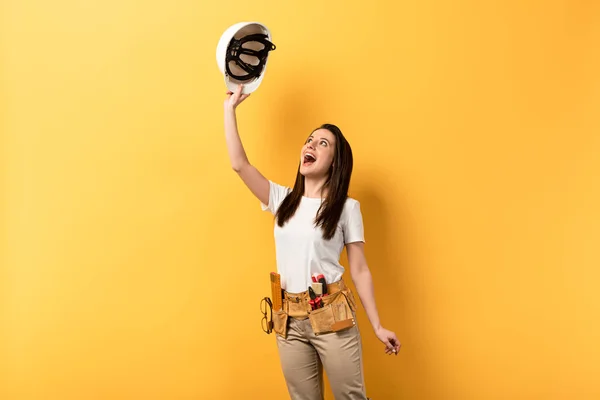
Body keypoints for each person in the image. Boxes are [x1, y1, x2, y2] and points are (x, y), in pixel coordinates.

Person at [224, 84, 401, 400]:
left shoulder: (347, 208)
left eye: (323, 144)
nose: (311, 145)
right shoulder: (282, 200)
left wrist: (378, 326)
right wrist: (229, 110)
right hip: (287, 318)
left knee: (351, 397)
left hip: (330, 312)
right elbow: (240, 164)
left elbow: (359, 270)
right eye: (310, 140)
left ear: (334, 162)